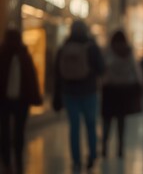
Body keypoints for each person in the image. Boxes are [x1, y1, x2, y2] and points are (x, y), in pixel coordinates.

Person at [52, 20, 105, 172]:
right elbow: (101, 68)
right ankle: (92, 155)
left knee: (74, 127)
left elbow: (57, 73)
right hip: (89, 92)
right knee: (90, 125)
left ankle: (76, 160)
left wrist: (57, 96)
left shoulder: (64, 47)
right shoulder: (91, 47)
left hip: (69, 93)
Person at [0, 29, 42, 174]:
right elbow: (32, 79)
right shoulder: (23, 55)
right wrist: (35, 98)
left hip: (6, 100)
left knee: (5, 132)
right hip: (20, 101)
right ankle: (16, 162)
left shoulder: (4, 54)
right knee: (17, 132)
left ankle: (8, 162)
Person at [101, 30, 143, 158]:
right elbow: (136, 72)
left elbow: (103, 70)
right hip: (123, 91)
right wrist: (139, 84)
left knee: (107, 121)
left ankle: (104, 147)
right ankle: (120, 148)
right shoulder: (128, 53)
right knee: (121, 122)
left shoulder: (109, 52)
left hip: (109, 90)